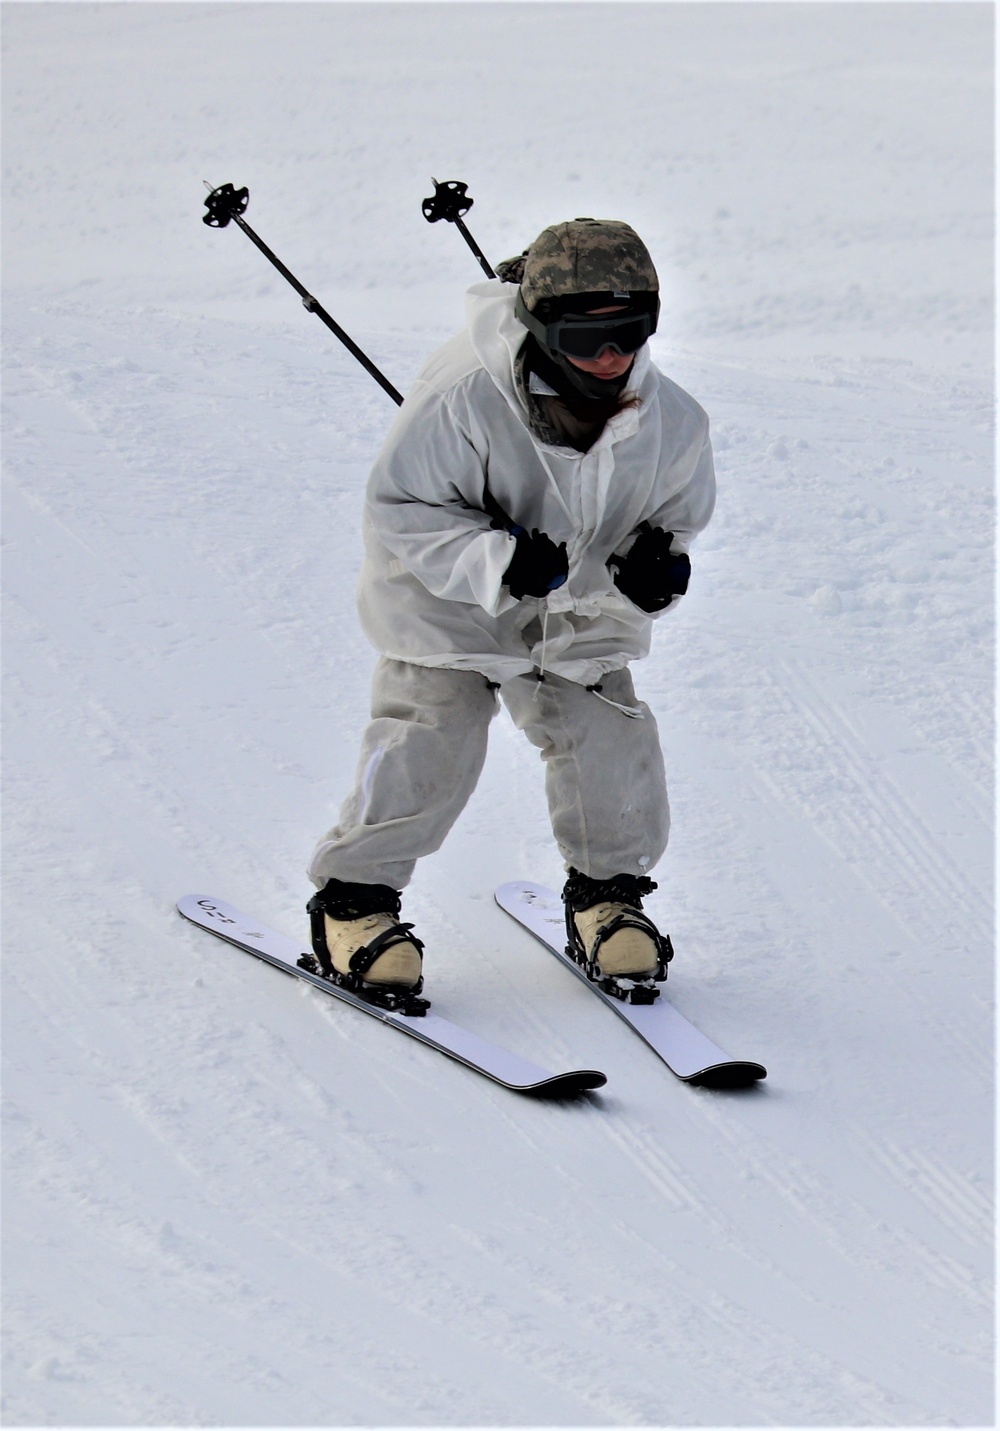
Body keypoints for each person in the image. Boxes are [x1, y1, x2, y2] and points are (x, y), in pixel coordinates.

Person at [306, 217, 715, 998]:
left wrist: (657, 570)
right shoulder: (462, 396)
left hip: (579, 608)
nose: (608, 356)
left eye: (628, 333)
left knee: (608, 737)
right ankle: (353, 901)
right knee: (436, 732)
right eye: (583, 337)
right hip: (450, 606)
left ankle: (608, 899)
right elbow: (401, 507)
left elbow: (678, 513)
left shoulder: (675, 422)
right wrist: (494, 559)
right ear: (537, 325)